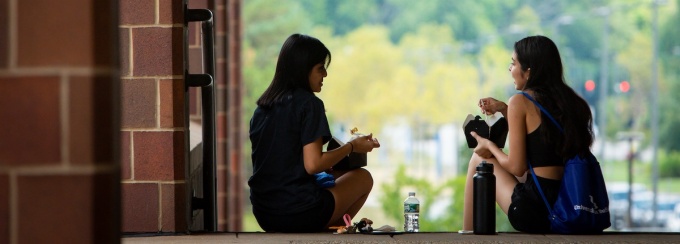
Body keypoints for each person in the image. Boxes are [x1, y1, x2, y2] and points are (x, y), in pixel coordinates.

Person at [248, 33, 381, 232]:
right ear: (302, 70)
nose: (325, 75)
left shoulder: (262, 108)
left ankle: (333, 227)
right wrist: (352, 146)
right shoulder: (309, 104)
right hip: (298, 212)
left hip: (265, 213)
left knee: (338, 174)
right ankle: (337, 230)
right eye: (320, 69)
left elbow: (282, 164)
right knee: (362, 178)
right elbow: (313, 164)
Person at [462, 35, 594, 233]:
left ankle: (467, 235)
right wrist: (505, 110)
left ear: (529, 71)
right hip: (570, 204)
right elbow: (542, 144)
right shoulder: (573, 102)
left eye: (514, 63)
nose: (510, 69)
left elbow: (517, 167)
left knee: (480, 159)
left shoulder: (521, 101)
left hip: (537, 211)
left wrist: (489, 146)